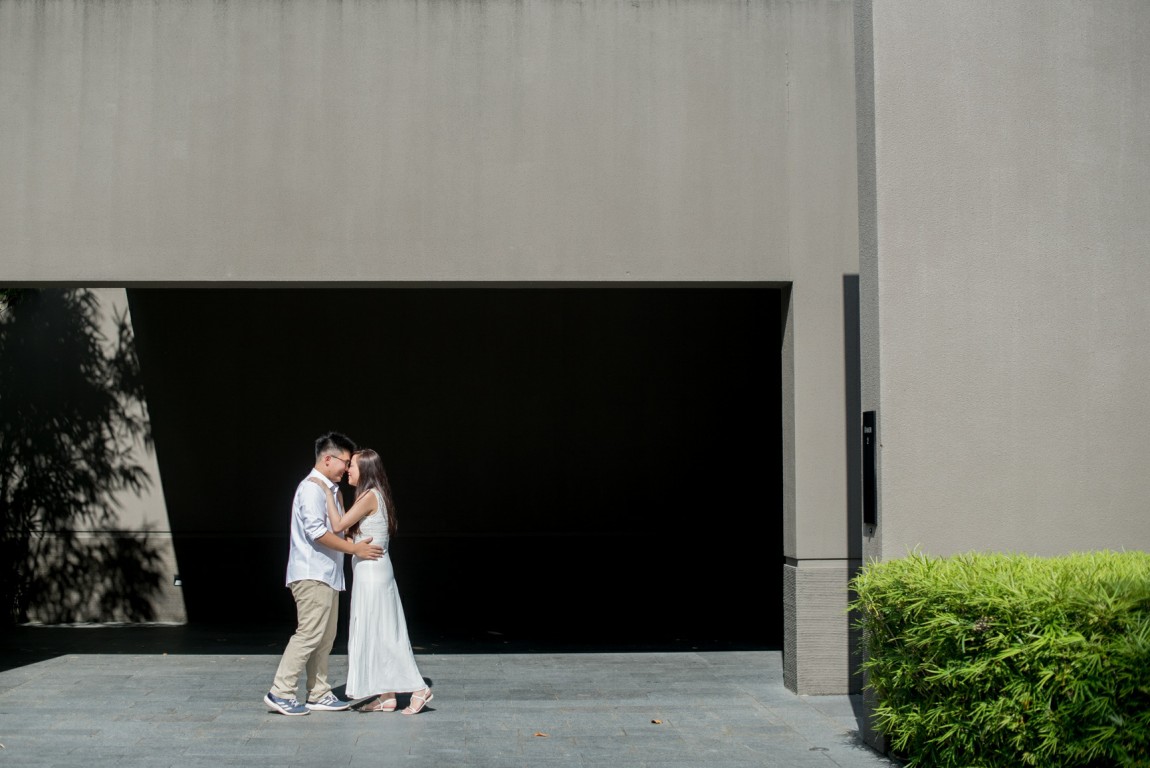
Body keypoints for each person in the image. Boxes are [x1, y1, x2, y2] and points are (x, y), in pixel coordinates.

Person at [264, 432, 384, 716]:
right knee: (309, 634)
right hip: (312, 573)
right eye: (345, 461)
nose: (347, 468)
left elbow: (338, 528)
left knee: (324, 637)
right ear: (328, 459)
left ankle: (318, 692)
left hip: (328, 574)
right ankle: (281, 691)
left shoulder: (329, 490)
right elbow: (317, 533)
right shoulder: (311, 489)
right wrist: (354, 549)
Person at [310, 448, 433, 715]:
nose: (348, 470)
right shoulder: (369, 496)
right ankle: (386, 695)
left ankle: (418, 687)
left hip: (373, 574)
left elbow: (338, 525)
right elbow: (349, 532)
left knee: (384, 632)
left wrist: (328, 492)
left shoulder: (370, 496)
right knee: (375, 630)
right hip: (369, 572)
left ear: (365, 470)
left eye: (352, 465)